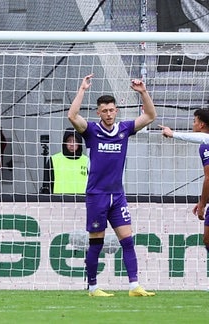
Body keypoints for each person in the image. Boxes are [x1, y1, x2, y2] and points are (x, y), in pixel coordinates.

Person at [68, 74, 157, 297]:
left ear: (116, 110)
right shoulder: (91, 131)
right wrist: (82, 88)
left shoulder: (124, 129)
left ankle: (134, 286)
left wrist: (143, 92)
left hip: (117, 195)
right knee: (96, 243)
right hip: (96, 195)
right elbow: (72, 115)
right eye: (104, 111)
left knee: (127, 240)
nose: (108, 114)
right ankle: (93, 287)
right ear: (98, 112)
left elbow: (150, 116)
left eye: (111, 110)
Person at [160, 109, 209, 262]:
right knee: (207, 239)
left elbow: (208, 177)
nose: (192, 124)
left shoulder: (205, 145)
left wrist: (173, 133)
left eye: (194, 121)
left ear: (201, 124)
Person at [40, 128, 88, 194]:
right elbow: (46, 187)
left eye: (75, 141)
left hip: (82, 202)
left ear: (79, 143)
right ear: (64, 142)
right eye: (69, 141)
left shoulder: (88, 161)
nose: (72, 144)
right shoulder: (53, 160)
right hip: (59, 202)